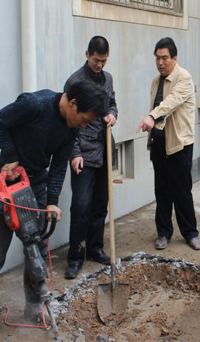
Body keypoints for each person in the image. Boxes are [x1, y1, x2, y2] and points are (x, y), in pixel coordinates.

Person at [0, 81, 108, 342]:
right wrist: (10, 154)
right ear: (73, 103)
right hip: (8, 183)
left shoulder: (70, 128)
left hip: (37, 185)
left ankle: (33, 307)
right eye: (84, 119)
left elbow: (59, 165)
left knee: (37, 250)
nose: (84, 125)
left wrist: (52, 201)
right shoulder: (35, 105)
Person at [137, 37, 200, 251]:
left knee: (182, 191)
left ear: (174, 58)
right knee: (162, 190)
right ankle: (163, 233)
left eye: (164, 58)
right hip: (159, 143)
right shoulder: (156, 80)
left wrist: (151, 116)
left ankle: (190, 233)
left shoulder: (184, 78)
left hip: (179, 144)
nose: (160, 62)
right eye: (157, 58)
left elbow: (171, 103)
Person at [63, 36, 118, 279]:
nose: (100, 65)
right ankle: (76, 257)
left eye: (104, 61)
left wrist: (112, 114)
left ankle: (95, 248)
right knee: (81, 206)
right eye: (96, 60)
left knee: (99, 205)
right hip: (83, 152)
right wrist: (74, 153)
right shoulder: (75, 81)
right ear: (87, 54)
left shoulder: (108, 78)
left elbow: (112, 103)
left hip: (104, 148)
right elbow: (69, 122)